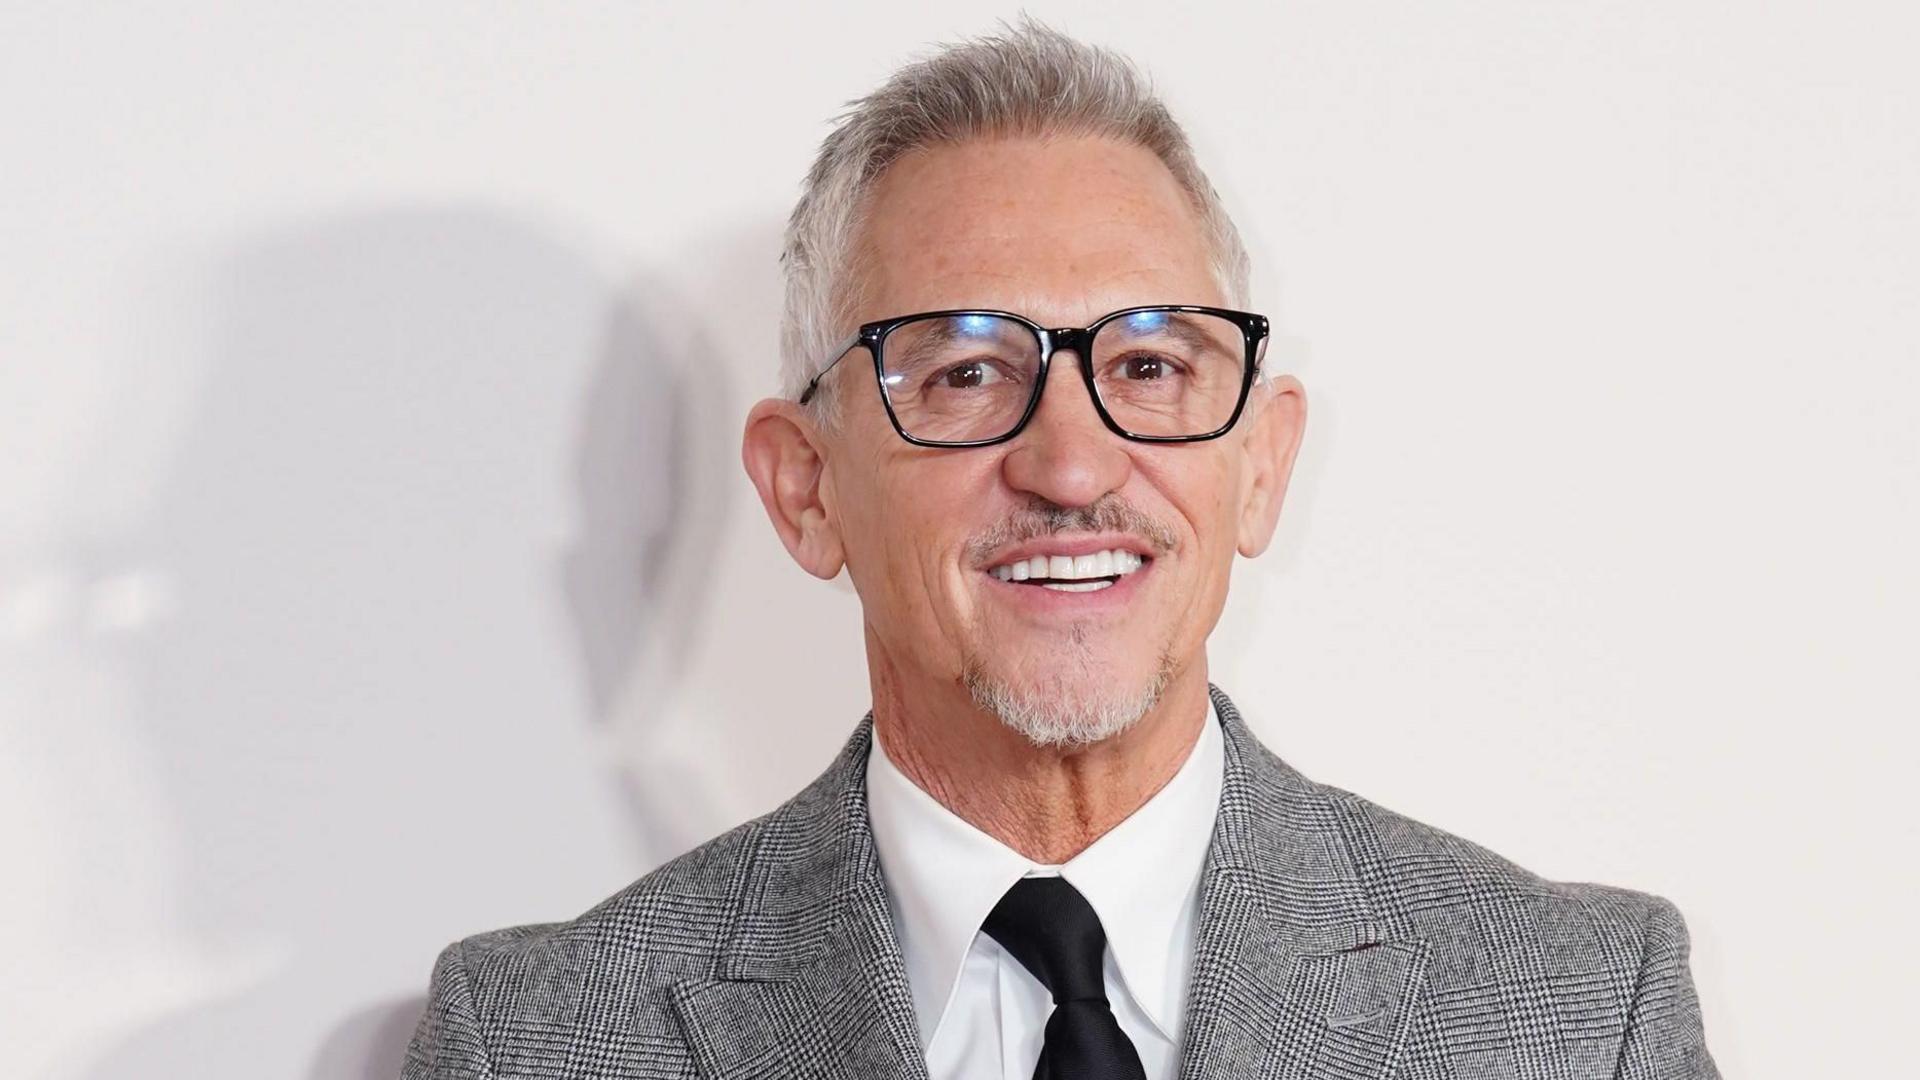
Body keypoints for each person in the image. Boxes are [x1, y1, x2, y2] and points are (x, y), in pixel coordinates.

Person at [403, 19, 1719, 1079]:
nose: (1074, 466)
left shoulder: (1576, 1019)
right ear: (806, 490)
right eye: (970, 373)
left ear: (1259, 467)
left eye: (1150, 364)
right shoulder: (535, 1045)